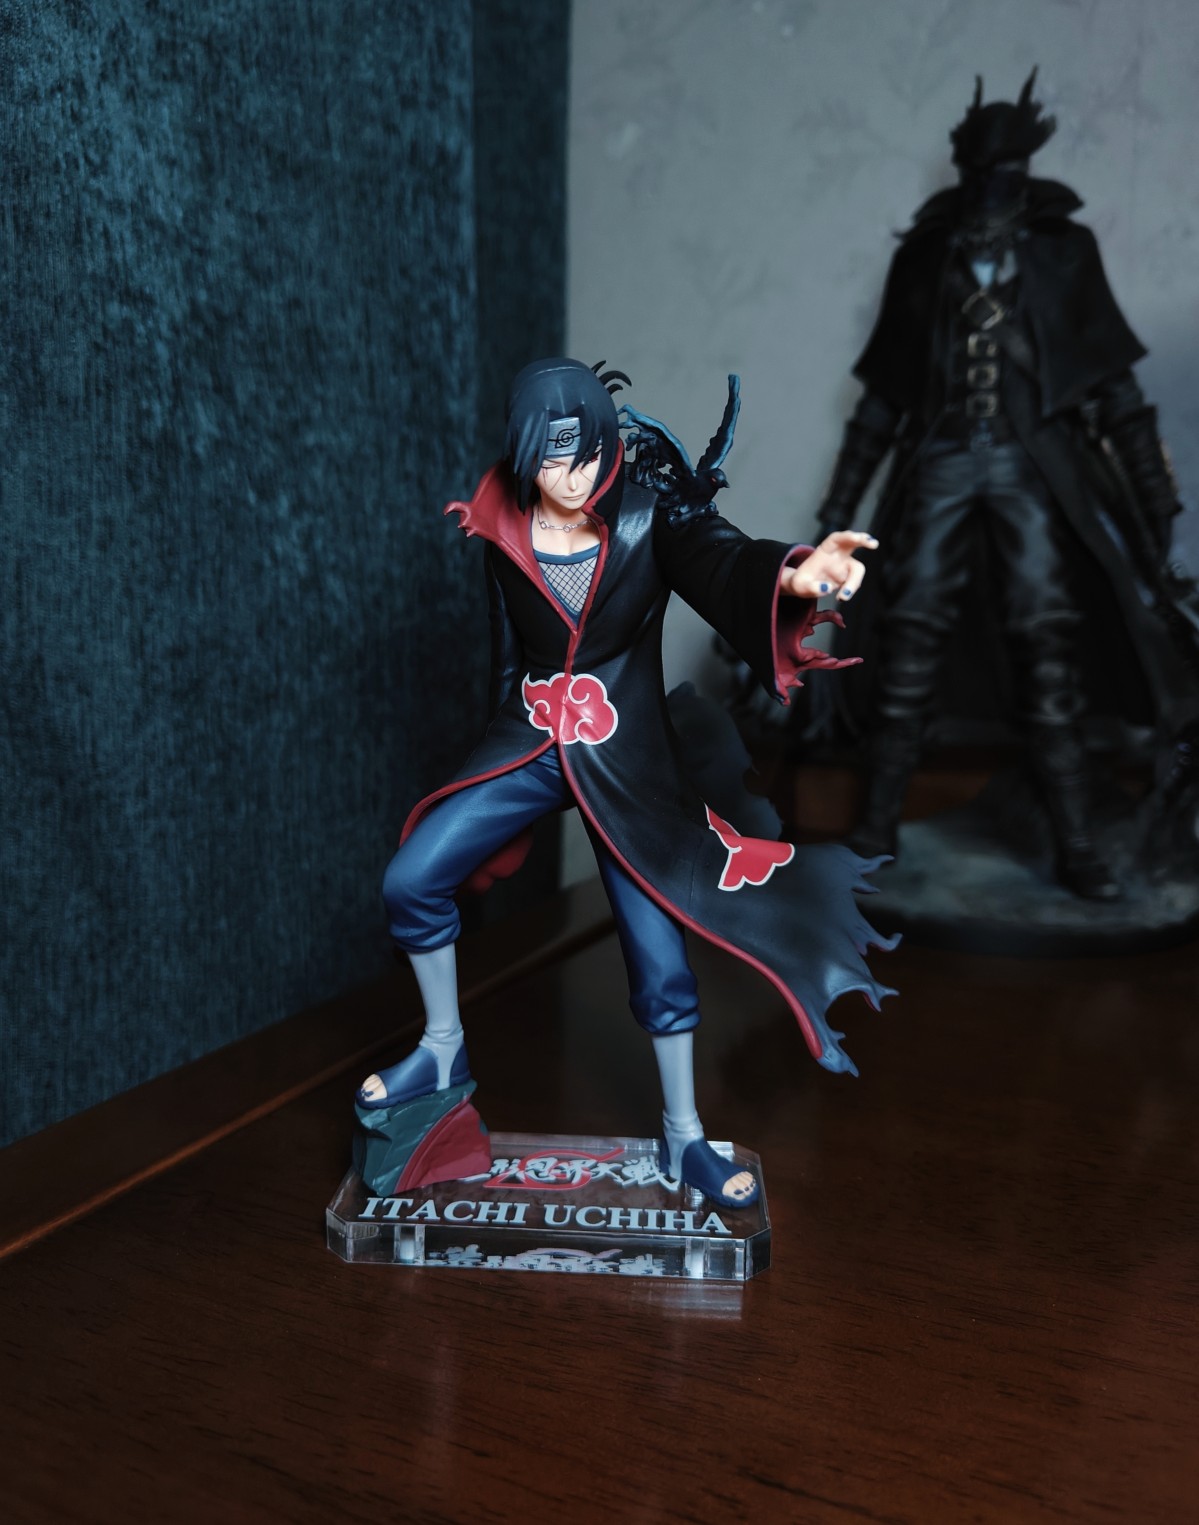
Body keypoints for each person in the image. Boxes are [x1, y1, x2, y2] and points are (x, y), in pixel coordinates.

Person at [359, 358, 893, 1209]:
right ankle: (442, 1047)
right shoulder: (500, 525)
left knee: (660, 966)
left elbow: (719, 562)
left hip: (628, 765)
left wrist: (794, 577)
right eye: (550, 460)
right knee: (411, 880)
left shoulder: (648, 516)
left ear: (606, 445)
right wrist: (490, 777)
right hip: (530, 743)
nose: (568, 478)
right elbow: (506, 660)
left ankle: (684, 1137)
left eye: (583, 456)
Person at [816, 71, 1196, 899]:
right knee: (909, 635)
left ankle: (1076, 843)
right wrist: (834, 517)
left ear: (1024, 175)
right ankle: (873, 829)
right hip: (943, 459)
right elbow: (882, 401)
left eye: (1005, 174)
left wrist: (1153, 501)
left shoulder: (1061, 253)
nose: (991, 188)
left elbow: (1115, 392)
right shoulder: (925, 258)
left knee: (1047, 640)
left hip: (1032, 468)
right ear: (964, 172)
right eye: (981, 174)